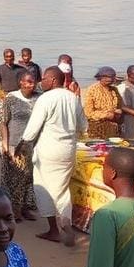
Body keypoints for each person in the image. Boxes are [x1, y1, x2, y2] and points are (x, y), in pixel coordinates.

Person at [21, 66, 87, 246]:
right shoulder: (73, 98)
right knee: (62, 188)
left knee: (43, 187)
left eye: (43, 79)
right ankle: (66, 221)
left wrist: (22, 143)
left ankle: (54, 229)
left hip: (49, 150)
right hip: (68, 150)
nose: (41, 82)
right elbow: (83, 126)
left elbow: (32, 130)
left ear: (52, 80)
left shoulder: (45, 99)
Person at [0, 70, 40, 221]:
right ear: (21, 83)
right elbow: (3, 123)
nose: (31, 84)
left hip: (33, 143)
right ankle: (14, 209)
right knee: (16, 177)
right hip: (15, 144)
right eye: (28, 82)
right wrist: (5, 144)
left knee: (30, 177)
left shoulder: (39, 98)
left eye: (33, 82)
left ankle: (25, 207)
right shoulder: (11, 99)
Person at [83, 66, 123, 140]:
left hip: (113, 127)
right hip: (97, 128)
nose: (111, 80)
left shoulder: (115, 90)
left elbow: (119, 106)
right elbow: (88, 113)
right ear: (101, 78)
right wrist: (106, 114)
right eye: (109, 77)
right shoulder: (92, 90)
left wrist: (118, 111)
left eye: (112, 77)